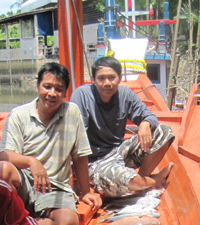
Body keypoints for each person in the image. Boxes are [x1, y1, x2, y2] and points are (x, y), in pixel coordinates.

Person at [0, 62, 101, 225]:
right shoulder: (19, 114)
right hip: (24, 182)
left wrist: (85, 191)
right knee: (0, 170)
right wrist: (32, 163)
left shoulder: (72, 112)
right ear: (37, 87)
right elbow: (3, 155)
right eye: (47, 87)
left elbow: (80, 156)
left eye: (59, 89)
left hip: (54, 187)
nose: (52, 93)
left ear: (65, 93)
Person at [70, 55, 175, 198]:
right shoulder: (82, 95)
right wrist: (77, 179)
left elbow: (149, 116)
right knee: (124, 179)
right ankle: (151, 181)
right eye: (101, 78)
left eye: (111, 78)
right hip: (94, 161)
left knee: (164, 132)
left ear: (119, 78)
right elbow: (76, 141)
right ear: (93, 80)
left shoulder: (125, 94)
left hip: (119, 152)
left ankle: (142, 180)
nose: (107, 83)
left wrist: (145, 123)